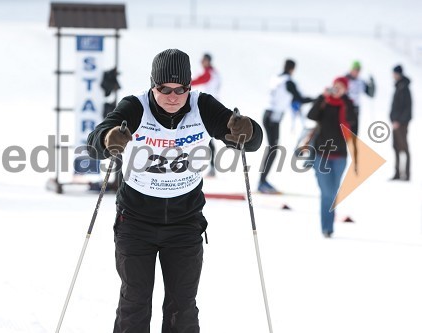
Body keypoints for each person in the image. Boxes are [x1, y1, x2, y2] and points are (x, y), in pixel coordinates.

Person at [86, 49, 263, 332]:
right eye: (164, 88)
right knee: (135, 302)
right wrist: (109, 138)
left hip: (184, 223)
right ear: (152, 85)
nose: (172, 96)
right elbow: (95, 142)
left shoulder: (202, 106)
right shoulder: (135, 107)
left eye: (180, 89)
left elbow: (249, 141)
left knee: (182, 306)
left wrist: (248, 130)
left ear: (189, 86)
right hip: (135, 222)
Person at [307, 77, 357, 238]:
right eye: (336, 86)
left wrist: (345, 100)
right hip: (322, 155)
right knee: (327, 192)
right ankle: (327, 227)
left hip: (340, 156)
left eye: (341, 87)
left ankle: (328, 227)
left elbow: (353, 122)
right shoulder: (325, 102)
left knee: (333, 192)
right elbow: (311, 115)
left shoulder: (347, 104)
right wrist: (322, 97)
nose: (337, 89)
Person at [258, 59, 314, 194]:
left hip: (268, 114)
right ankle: (262, 182)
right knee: (273, 149)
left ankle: (262, 181)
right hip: (273, 117)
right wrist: (317, 98)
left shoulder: (277, 78)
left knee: (273, 148)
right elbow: (300, 98)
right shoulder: (288, 81)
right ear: (293, 69)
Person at [191, 53, 222, 177]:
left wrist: (182, 84)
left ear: (207, 61)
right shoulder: (214, 72)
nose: (201, 62)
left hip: (208, 108)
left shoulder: (209, 73)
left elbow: (198, 80)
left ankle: (211, 167)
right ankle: (211, 166)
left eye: (203, 60)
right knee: (208, 138)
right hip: (212, 106)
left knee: (206, 137)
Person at [389, 64, 412, 181]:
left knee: (404, 147)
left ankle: (406, 174)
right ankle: (397, 172)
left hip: (401, 124)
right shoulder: (399, 86)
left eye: (394, 73)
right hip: (395, 123)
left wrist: (399, 121)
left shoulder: (404, 88)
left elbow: (407, 108)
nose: (393, 75)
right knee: (396, 146)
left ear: (399, 73)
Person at [345, 60, 375, 134]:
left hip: (355, 108)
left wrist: (372, 85)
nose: (357, 72)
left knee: (354, 131)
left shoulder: (361, 82)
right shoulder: (345, 79)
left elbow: (370, 94)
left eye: (358, 70)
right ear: (351, 69)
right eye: (356, 69)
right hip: (345, 108)